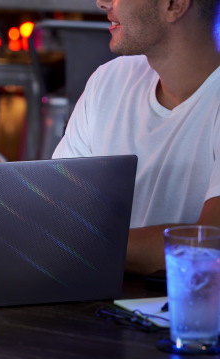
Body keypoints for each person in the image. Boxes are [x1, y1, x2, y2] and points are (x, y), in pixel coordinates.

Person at [52, 0, 220, 274]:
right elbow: (57, 212)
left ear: (174, 5)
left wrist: (79, 244)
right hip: (95, 297)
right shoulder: (109, 80)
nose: (102, 3)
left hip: (188, 312)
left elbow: (210, 244)